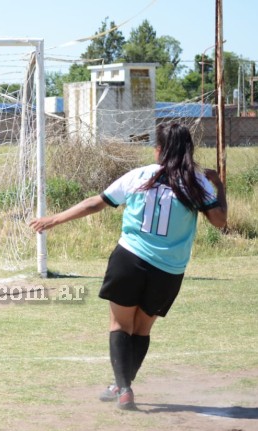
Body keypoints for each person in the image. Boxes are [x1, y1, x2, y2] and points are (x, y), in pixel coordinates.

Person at [29, 122, 227, 410]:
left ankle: (123, 388)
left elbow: (95, 203)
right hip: (168, 271)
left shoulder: (140, 175)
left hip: (129, 259)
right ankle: (122, 386)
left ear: (158, 150)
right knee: (141, 330)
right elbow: (219, 221)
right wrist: (219, 185)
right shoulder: (198, 182)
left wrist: (54, 219)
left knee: (120, 325)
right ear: (189, 150)